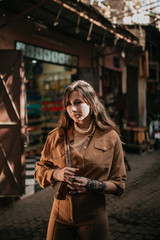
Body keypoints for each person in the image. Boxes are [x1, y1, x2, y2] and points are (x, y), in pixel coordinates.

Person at [34, 80, 126, 240]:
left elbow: (118, 185)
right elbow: (39, 171)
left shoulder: (111, 137)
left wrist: (90, 185)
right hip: (59, 214)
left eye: (78, 102)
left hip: (92, 215)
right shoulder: (56, 136)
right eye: (68, 104)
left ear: (91, 102)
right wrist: (57, 173)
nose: (73, 109)